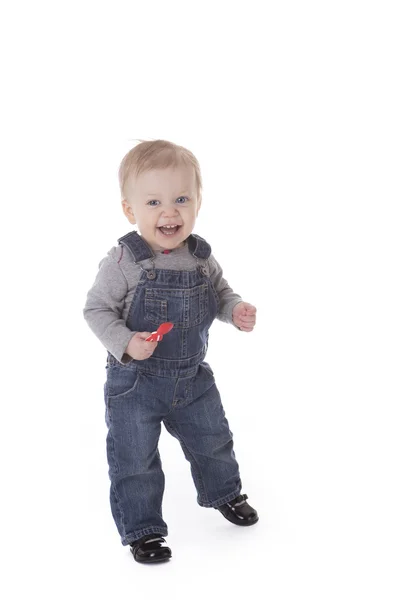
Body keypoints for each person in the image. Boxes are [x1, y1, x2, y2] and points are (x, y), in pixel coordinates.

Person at [83, 139, 258, 564]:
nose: (170, 212)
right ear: (130, 210)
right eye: (155, 201)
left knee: (213, 440)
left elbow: (219, 293)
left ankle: (224, 494)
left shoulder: (200, 256)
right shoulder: (125, 260)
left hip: (192, 378)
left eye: (182, 199)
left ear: (198, 201)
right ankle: (143, 531)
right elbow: (96, 309)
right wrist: (126, 341)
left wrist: (235, 310)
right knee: (135, 459)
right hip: (135, 384)